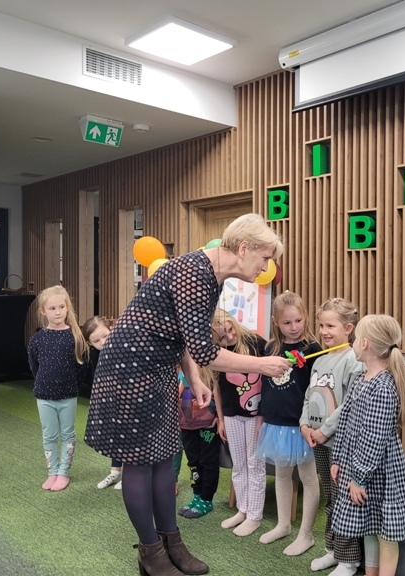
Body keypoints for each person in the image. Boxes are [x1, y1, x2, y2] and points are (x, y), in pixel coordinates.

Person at [84, 213, 291, 576]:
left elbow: (182, 334)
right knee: (140, 461)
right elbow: (207, 350)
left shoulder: (211, 275)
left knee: (164, 457)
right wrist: (262, 365)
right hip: (130, 369)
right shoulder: (195, 273)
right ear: (244, 248)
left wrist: (193, 378)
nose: (266, 267)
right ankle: (150, 553)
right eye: (264, 258)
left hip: (158, 368)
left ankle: (171, 543)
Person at [330, 314, 405, 576]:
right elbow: (344, 421)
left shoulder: (382, 388)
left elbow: (373, 439)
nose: (353, 343)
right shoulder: (361, 378)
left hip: (379, 472)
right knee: (368, 525)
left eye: (356, 338)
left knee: (385, 534)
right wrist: (337, 459)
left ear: (365, 343)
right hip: (358, 466)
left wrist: (358, 478)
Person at [302, 298, 365, 576]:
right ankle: (332, 549)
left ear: (348, 328)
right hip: (318, 442)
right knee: (330, 496)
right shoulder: (320, 359)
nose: (323, 331)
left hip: (339, 444)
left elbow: (349, 404)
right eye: (321, 325)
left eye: (330, 326)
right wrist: (305, 425)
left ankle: (349, 560)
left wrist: (324, 430)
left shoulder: (353, 361)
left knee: (343, 501)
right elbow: (309, 396)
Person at [256, 291, 322, 556]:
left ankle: (306, 534)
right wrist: (263, 416)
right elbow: (265, 384)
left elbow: (318, 389)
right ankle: (283, 524)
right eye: (287, 322)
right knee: (282, 473)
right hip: (276, 423)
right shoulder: (270, 348)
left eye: (298, 320)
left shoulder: (313, 349)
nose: (294, 327)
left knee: (308, 477)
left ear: (305, 317)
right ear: (275, 321)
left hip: (301, 424)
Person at [213, 308, 268, 537]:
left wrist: (263, 417)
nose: (229, 337)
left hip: (255, 416)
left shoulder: (255, 342)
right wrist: (220, 419)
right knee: (239, 464)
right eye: (222, 336)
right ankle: (242, 509)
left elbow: (268, 379)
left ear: (233, 323)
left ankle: (254, 515)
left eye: (230, 329)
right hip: (231, 415)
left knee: (255, 464)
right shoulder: (217, 352)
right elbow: (216, 388)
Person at [28, 285, 88, 492]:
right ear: (43, 311)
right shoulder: (37, 339)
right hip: (44, 396)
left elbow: (82, 366)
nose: (58, 312)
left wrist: (72, 387)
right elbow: (34, 366)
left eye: (61, 307)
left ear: (67, 308)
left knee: (68, 434)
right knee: (49, 435)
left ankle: (63, 472)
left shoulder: (75, 337)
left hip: (68, 396)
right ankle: (52, 471)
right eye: (52, 308)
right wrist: (44, 383)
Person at [81, 315, 123, 490]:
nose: (103, 342)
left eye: (105, 336)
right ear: (90, 343)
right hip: (108, 400)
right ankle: (115, 472)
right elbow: (96, 379)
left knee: (128, 436)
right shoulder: (94, 354)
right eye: (96, 341)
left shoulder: (123, 347)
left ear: (111, 329)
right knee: (114, 435)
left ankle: (129, 475)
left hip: (127, 400)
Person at [177, 365, 221, 519]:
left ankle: (206, 499)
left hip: (208, 424)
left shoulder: (210, 370)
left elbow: (217, 392)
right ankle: (197, 495)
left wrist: (220, 418)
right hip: (187, 424)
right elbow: (179, 393)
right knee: (193, 461)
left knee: (208, 461)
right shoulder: (182, 370)